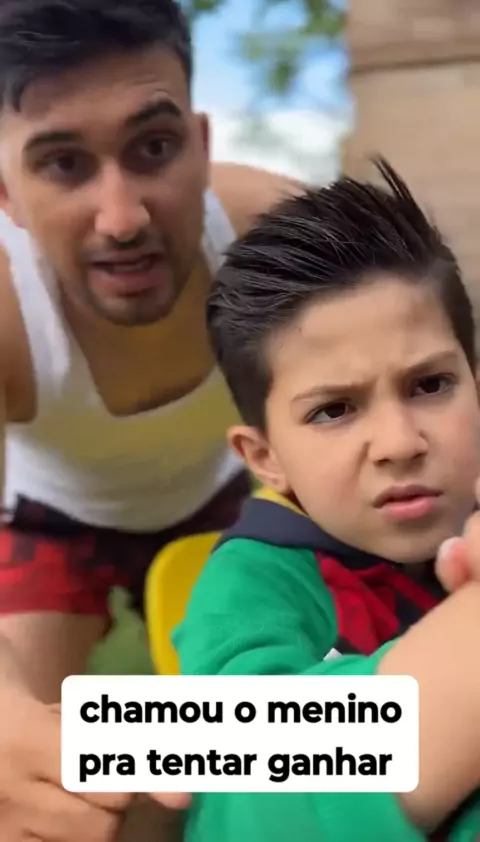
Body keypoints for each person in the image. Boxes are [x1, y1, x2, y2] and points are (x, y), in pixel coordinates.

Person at [0, 0, 301, 839]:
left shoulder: (273, 234)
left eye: (154, 148)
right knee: (38, 790)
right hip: (54, 519)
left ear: (202, 146)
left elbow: (417, 381)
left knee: (314, 748)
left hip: (226, 493)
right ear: (6, 194)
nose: (122, 218)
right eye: (63, 164)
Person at [170, 160, 480, 841]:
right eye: (334, 410)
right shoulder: (247, 593)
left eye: (430, 385)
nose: (399, 443)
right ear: (265, 458)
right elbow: (255, 801)